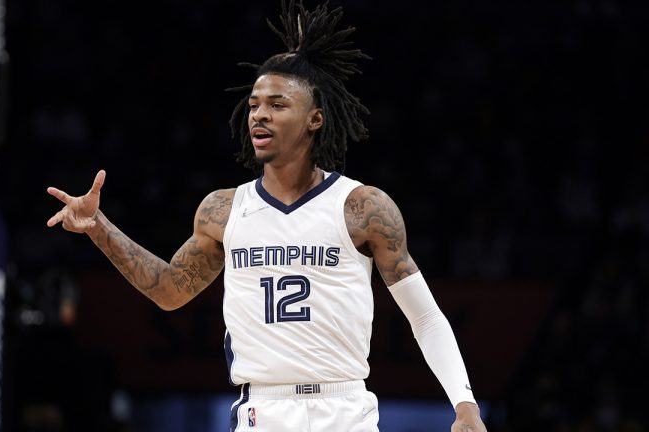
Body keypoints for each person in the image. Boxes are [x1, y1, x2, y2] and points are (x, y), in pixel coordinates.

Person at [46, 1, 488, 430]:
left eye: (277, 105)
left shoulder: (362, 207)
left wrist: (465, 404)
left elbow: (425, 317)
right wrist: (99, 228)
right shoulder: (223, 210)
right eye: (255, 104)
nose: (259, 115)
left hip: (345, 408)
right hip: (262, 410)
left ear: (315, 119)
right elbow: (168, 291)